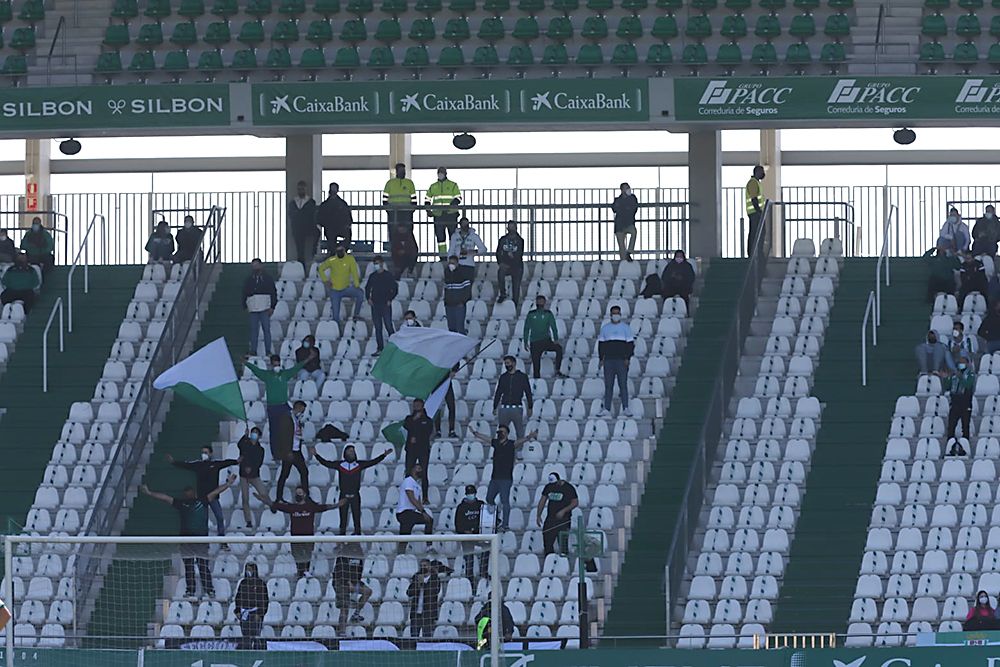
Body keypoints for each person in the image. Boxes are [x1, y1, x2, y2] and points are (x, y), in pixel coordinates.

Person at [140, 473, 236, 598]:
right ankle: (190, 590)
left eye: (190, 493)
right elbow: (165, 498)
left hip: (201, 540)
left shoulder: (203, 501)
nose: (188, 495)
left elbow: (216, 491)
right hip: (186, 541)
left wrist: (228, 484)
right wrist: (150, 493)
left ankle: (209, 590)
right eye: (186, 493)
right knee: (189, 567)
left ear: (194, 493)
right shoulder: (182, 503)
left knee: (203, 566)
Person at [257, 485, 341, 578]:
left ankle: (306, 572)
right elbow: (274, 505)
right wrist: (263, 500)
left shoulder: (310, 507)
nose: (298, 495)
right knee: (297, 556)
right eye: (296, 493)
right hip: (295, 537)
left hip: (308, 537)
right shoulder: (291, 507)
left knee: (307, 555)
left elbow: (325, 507)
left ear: (304, 494)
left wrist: (337, 505)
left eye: (300, 493)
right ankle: (300, 573)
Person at [313, 444, 390, 535]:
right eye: (350, 451)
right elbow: (327, 463)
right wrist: (316, 455)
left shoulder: (359, 464)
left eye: (353, 451)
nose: (352, 452)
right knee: (343, 520)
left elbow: (372, 462)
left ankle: (357, 540)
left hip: (355, 495)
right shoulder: (340, 464)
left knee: (357, 519)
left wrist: (383, 455)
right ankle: (342, 540)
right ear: (345, 453)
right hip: (343, 495)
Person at [472, 425, 537, 532]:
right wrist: (476, 433)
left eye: (502, 432)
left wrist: (529, 436)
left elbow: (520, 441)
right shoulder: (496, 443)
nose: (499, 434)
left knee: (504, 501)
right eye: (499, 432)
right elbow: (486, 439)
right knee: (489, 498)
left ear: (506, 434)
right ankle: (496, 519)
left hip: (506, 478)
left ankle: (505, 524)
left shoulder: (511, 444)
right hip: (495, 477)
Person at [166, 447, 239, 538]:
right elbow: (186, 464)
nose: (203, 454)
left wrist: (236, 461)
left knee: (220, 517)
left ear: (211, 454)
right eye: (202, 452)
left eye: (206, 452)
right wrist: (173, 462)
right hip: (202, 499)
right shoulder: (198, 464)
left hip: (213, 497)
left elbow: (226, 462)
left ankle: (222, 538)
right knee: (203, 520)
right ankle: (204, 540)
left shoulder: (215, 464)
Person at [246, 355, 306, 462]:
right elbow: (255, 369)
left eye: (278, 363)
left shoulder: (285, 374)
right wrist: (245, 363)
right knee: (274, 431)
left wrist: (308, 359)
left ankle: (289, 451)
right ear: (271, 364)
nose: (276, 365)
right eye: (274, 363)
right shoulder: (267, 375)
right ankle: (276, 454)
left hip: (283, 406)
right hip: (272, 407)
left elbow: (296, 368)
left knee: (287, 429)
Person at [598, 305, 635, 417]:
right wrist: (601, 358)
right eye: (614, 313)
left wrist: (627, 358)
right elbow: (601, 345)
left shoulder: (626, 328)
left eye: (617, 313)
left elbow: (630, 345)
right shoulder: (605, 328)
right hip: (608, 360)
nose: (616, 315)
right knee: (608, 385)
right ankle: (607, 408)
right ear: (610, 315)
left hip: (621, 360)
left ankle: (626, 407)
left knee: (622, 384)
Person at [275, 400, 311, 502]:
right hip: (290, 451)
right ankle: (278, 498)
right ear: (298, 407)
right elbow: (283, 436)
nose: (302, 412)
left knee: (304, 471)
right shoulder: (286, 418)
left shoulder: (296, 419)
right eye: (302, 410)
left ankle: (306, 496)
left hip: (297, 450)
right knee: (284, 474)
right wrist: (287, 451)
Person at [319, 243, 364, 323]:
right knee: (335, 317)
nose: (340, 252)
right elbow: (320, 268)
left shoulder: (350, 259)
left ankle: (356, 315)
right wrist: (325, 280)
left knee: (360, 294)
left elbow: (354, 272)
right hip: (335, 290)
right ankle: (337, 330)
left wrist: (356, 285)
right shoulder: (332, 260)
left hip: (346, 288)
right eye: (338, 250)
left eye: (341, 250)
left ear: (344, 250)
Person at [536, 472, 579, 555]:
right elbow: (542, 500)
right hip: (550, 518)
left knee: (563, 544)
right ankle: (549, 559)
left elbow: (575, 502)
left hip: (564, 520)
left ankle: (564, 563)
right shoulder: (548, 487)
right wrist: (538, 515)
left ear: (559, 480)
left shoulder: (568, 488)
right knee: (547, 542)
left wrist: (564, 510)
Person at [407, 559, 452, 638]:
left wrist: (423, 584)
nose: (423, 567)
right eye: (421, 566)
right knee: (413, 637)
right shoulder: (416, 577)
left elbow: (434, 592)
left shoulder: (435, 579)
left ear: (429, 567)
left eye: (425, 565)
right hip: (415, 614)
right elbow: (409, 592)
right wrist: (417, 584)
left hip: (428, 613)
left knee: (427, 637)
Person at [523, 295, 564, 379]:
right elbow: (526, 328)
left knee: (559, 349)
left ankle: (557, 370)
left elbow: (554, 327)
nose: (540, 303)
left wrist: (555, 339)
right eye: (539, 301)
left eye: (542, 301)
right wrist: (525, 341)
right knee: (536, 365)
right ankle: (537, 381)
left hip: (546, 341)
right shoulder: (531, 314)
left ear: (544, 303)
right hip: (535, 342)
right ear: (536, 302)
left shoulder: (548, 314)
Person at [333, 543, 372, 631]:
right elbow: (339, 572)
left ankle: (356, 614)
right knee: (344, 607)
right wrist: (348, 582)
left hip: (354, 581)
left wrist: (356, 584)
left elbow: (359, 571)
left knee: (367, 591)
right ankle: (342, 632)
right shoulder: (342, 556)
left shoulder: (359, 556)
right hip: (340, 581)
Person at [243, 258, 278, 357]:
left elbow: (273, 293)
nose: (255, 267)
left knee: (266, 329)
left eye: (256, 265)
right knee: (254, 330)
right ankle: (253, 350)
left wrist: (272, 306)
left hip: (265, 308)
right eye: (253, 266)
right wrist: (245, 305)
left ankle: (268, 350)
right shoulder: (249, 280)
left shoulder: (268, 278)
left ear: (261, 266)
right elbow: (245, 293)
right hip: (253, 307)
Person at [237, 426, 270, 530]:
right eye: (252, 432)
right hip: (243, 475)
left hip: (254, 475)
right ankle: (248, 521)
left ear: (259, 436)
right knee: (245, 499)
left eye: (256, 433)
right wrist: (245, 435)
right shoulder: (245, 444)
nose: (254, 434)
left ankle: (271, 506)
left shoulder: (260, 449)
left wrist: (251, 468)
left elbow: (258, 462)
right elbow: (239, 445)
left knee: (263, 493)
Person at [426, 167, 462, 258]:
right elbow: (427, 199)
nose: (440, 174)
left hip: (451, 214)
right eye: (439, 172)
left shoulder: (453, 185)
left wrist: (450, 206)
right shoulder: (433, 186)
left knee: (453, 237)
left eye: (442, 172)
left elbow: (458, 198)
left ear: (446, 173)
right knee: (440, 238)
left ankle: (453, 256)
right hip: (438, 215)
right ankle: (443, 256)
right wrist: (428, 209)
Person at [396, 464, 433, 551]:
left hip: (410, 513)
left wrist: (424, 512)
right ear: (412, 470)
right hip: (404, 513)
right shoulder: (408, 481)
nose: (420, 470)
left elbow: (419, 502)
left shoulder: (417, 485)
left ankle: (401, 553)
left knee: (404, 537)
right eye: (418, 468)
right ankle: (429, 546)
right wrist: (423, 512)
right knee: (429, 521)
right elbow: (411, 498)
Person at [493, 355, 532, 439]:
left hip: (517, 407)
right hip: (504, 407)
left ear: (514, 363)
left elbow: (528, 392)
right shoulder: (503, 377)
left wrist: (530, 406)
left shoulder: (522, 376)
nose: (507, 365)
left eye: (508, 363)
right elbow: (498, 392)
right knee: (502, 432)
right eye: (505, 364)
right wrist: (495, 405)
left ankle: (519, 450)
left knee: (519, 432)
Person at [365, 255, 398, 354]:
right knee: (378, 327)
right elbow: (367, 288)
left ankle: (395, 346)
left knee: (388, 325)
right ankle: (380, 348)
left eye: (378, 263)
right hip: (375, 304)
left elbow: (395, 289)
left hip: (385, 304)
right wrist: (368, 298)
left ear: (382, 264)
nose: (376, 265)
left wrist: (390, 299)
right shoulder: (373, 276)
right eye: (375, 264)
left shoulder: (388, 275)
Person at [455, 484, 488, 580]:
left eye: (472, 493)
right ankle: (469, 578)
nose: (471, 495)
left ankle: (483, 573)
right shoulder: (461, 507)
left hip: (479, 535)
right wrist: (465, 531)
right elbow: (457, 525)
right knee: (469, 558)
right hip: (467, 537)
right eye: (469, 493)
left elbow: (487, 519)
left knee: (486, 548)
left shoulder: (481, 504)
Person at [403, 399, 434, 497]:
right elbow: (406, 426)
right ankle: (408, 495)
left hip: (423, 449)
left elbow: (428, 432)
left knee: (423, 472)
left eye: (418, 405)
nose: (416, 406)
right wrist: (414, 420)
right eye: (414, 405)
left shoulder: (428, 420)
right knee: (408, 471)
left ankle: (425, 497)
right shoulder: (409, 418)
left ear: (422, 406)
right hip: (411, 449)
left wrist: (417, 438)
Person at [234, 562, 268, 649]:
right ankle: (246, 650)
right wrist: (237, 611)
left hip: (255, 613)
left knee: (255, 635)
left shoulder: (261, 583)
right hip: (244, 613)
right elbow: (238, 597)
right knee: (245, 635)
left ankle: (256, 650)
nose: (248, 571)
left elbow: (264, 600)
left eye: (250, 569)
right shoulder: (243, 583)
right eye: (247, 570)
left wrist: (260, 613)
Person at [947, 357, 976, 454]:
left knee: (965, 426)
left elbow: (968, 385)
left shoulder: (970, 374)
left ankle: (965, 447)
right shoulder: (954, 375)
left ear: (967, 364)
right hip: (955, 402)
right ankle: (950, 446)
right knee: (951, 425)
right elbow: (948, 386)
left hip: (965, 402)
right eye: (960, 362)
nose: (961, 364)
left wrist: (960, 377)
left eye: (963, 362)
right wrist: (946, 378)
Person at [315, 182, 353, 252]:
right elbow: (320, 218)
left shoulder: (342, 204)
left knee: (348, 234)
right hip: (330, 228)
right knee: (331, 238)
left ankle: (342, 250)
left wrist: (347, 224)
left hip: (340, 227)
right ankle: (335, 251)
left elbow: (348, 217)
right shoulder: (326, 204)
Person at [383, 163, 417, 240]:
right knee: (393, 232)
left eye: (403, 170)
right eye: (401, 170)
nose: (403, 172)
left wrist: (411, 210)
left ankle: (407, 248)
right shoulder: (390, 183)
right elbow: (385, 199)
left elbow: (414, 199)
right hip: (394, 212)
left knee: (408, 232)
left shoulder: (409, 183)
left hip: (406, 212)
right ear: (397, 171)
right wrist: (388, 210)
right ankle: (394, 249)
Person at [288, 180, 319, 264]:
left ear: (305, 189)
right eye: (299, 189)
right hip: (297, 229)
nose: (301, 191)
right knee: (300, 250)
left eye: (302, 189)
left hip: (307, 226)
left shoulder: (310, 201)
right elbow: (290, 214)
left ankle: (314, 251)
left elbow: (312, 214)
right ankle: (301, 267)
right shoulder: (293, 202)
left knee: (317, 233)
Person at [496, 221, 525, 305]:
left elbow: (519, 254)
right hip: (505, 264)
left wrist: (512, 257)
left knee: (516, 286)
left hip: (517, 266)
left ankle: (515, 303)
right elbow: (498, 252)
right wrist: (500, 262)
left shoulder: (520, 240)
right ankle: (503, 294)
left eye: (512, 227)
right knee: (500, 273)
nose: (511, 229)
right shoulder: (503, 239)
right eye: (509, 227)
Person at [443, 255, 473, 335]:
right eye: (450, 263)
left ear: (457, 263)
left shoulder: (463, 274)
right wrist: (445, 301)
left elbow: (467, 290)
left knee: (460, 327)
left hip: (459, 305)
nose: (451, 265)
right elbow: (446, 288)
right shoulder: (447, 273)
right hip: (449, 305)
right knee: (451, 328)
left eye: (453, 263)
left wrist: (463, 302)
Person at [612, 182, 639, 262]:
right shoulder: (618, 199)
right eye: (626, 188)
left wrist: (623, 208)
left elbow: (634, 208)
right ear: (622, 190)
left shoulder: (632, 198)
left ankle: (629, 251)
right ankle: (623, 261)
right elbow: (614, 208)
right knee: (621, 246)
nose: (628, 189)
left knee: (633, 232)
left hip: (628, 223)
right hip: (619, 225)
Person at [432, 365, 458, 438]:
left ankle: (452, 430)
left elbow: (456, 359)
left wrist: (454, 370)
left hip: (447, 382)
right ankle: (437, 430)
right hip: (435, 384)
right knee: (437, 408)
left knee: (451, 406)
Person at [745, 165, 766, 256]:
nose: (763, 173)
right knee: (755, 233)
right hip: (754, 213)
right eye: (762, 171)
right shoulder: (753, 183)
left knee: (758, 233)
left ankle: (756, 252)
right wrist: (759, 211)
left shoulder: (757, 183)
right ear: (757, 172)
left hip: (756, 213)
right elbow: (754, 199)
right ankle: (753, 253)